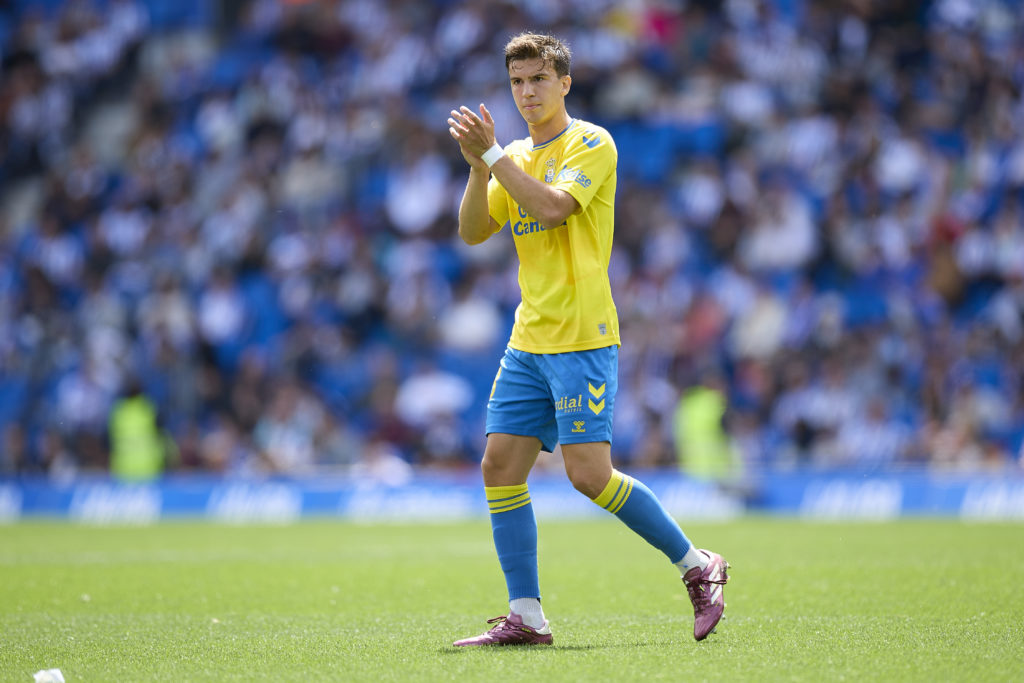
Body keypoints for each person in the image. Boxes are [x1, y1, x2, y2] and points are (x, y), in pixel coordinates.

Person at [446, 32, 729, 647]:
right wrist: (478, 167)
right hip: (529, 337)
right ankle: (527, 616)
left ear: (565, 82)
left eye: (539, 80)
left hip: (581, 336)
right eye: (518, 82)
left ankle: (697, 565)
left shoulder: (590, 142)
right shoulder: (511, 153)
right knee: (499, 466)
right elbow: (472, 231)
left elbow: (551, 209)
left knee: (589, 475)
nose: (527, 92)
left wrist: (494, 157)